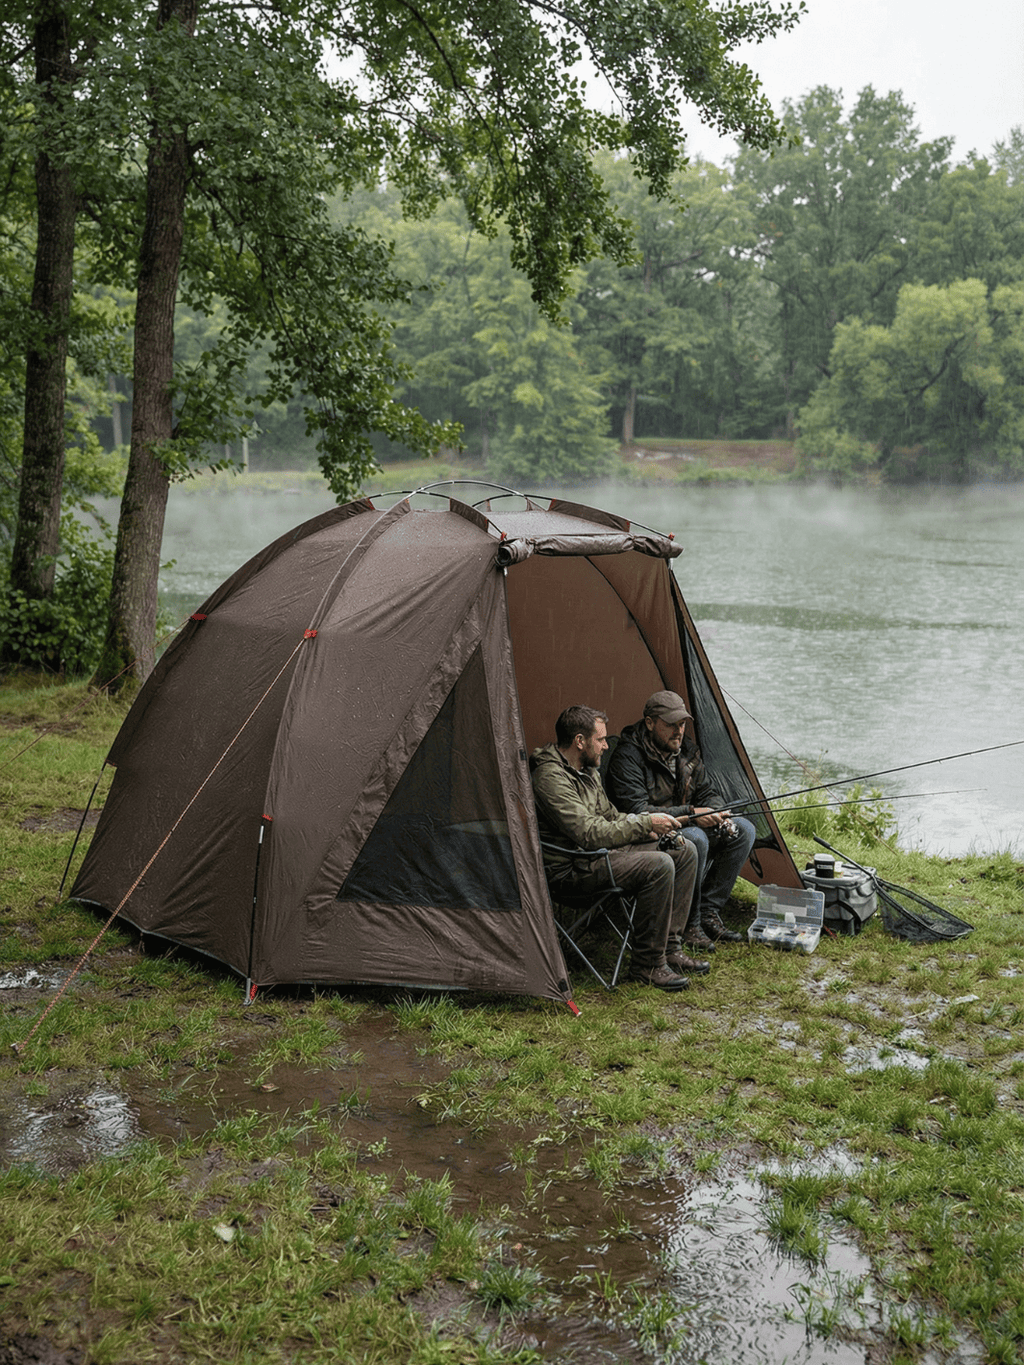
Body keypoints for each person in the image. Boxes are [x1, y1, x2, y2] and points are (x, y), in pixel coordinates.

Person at [530, 704, 706, 991]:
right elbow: (587, 832)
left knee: (684, 852)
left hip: (598, 857)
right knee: (659, 865)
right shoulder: (550, 778)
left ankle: (669, 947)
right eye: (600, 740)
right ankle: (648, 965)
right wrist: (643, 823)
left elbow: (611, 818)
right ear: (579, 741)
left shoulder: (588, 772)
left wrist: (651, 825)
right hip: (571, 870)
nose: (604, 746)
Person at [605, 690, 756, 951]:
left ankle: (710, 911)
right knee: (695, 839)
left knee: (744, 829)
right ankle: (690, 923)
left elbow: (708, 791)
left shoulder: (687, 750)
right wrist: (694, 812)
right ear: (650, 723)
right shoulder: (627, 756)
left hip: (683, 824)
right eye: (671, 725)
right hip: (647, 833)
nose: (679, 731)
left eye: (682, 724)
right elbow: (637, 810)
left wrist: (717, 812)